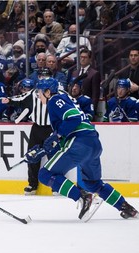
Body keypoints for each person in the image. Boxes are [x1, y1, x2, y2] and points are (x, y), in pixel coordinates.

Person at [26, 77, 138, 221]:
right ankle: (126, 208)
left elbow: (73, 119)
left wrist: (57, 135)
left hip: (79, 142)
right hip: (93, 143)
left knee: (44, 174)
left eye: (39, 92)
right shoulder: (65, 97)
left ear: (48, 92)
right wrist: (46, 148)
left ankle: (82, 196)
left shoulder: (54, 100)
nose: (38, 95)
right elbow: (69, 128)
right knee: (94, 183)